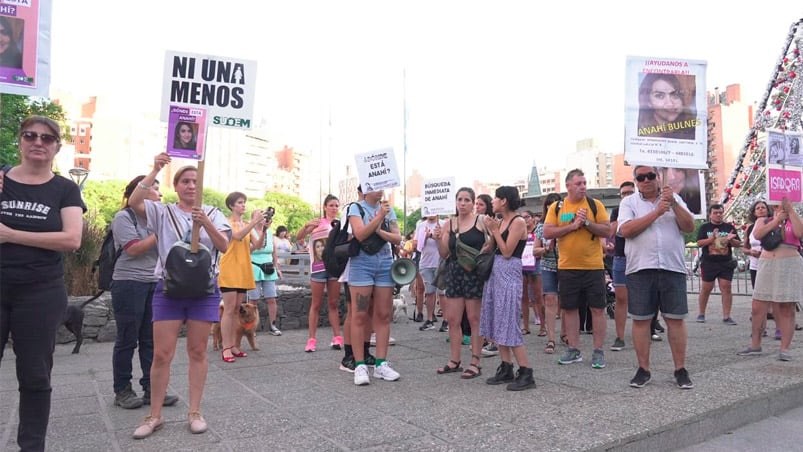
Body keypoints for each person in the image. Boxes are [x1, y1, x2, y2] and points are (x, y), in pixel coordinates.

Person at [128, 154, 231, 439]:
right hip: (169, 288)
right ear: (176, 186)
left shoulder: (213, 213)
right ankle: (154, 415)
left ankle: (195, 411)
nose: (190, 185)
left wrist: (205, 223)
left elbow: (224, 245)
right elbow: (134, 202)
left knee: (197, 351)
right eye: (185, 181)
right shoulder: (162, 212)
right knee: (161, 354)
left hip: (204, 290)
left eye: (195, 182)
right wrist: (155, 169)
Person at [0, 115, 85, 451]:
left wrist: (11, 235)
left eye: (47, 138)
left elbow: (72, 239)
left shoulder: (65, 188)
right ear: (20, 141)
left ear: (56, 148)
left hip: (40, 291)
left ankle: (31, 446)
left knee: (35, 373)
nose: (38, 142)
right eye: (30, 135)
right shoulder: (2, 179)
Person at [618, 165, 696, 389]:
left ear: (658, 177)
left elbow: (689, 226)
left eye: (650, 176)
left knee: (675, 319)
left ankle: (680, 369)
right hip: (641, 268)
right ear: (635, 181)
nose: (646, 180)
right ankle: (643, 369)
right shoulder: (628, 203)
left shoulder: (675, 199)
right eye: (640, 177)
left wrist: (672, 204)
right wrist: (656, 213)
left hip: (672, 267)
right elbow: (626, 230)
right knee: (641, 320)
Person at [111, 176, 178, 410]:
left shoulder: (158, 218)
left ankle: (152, 388)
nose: (160, 194)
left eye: (160, 189)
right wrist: (161, 233)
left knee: (151, 340)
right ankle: (122, 390)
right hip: (129, 283)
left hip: (155, 282)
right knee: (127, 340)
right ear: (139, 193)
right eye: (155, 189)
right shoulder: (124, 217)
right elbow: (134, 249)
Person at [543, 169, 611, 369]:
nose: (583, 186)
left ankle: (598, 351)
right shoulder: (557, 207)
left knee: (598, 309)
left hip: (593, 266)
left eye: (584, 182)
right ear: (568, 186)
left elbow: (607, 230)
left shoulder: (594, 205)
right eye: (579, 183)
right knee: (570, 309)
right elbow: (547, 232)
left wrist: (587, 223)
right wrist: (572, 226)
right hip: (567, 267)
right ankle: (574, 349)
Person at [480, 186, 535, 391]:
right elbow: (491, 247)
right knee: (498, 319)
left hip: (509, 272)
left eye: (495, 198)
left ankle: (526, 371)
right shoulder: (501, 221)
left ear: (504, 201)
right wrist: (490, 231)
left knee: (509, 321)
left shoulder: (518, 222)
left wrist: (495, 230)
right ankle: (506, 367)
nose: (492, 201)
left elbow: (507, 251)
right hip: (496, 274)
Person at [347, 188, 402, 385]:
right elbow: (360, 234)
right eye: (375, 187)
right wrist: (379, 217)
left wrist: (380, 228)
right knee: (359, 314)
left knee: (384, 315)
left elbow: (397, 238)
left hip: (385, 263)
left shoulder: (388, 209)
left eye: (382, 187)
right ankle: (359, 364)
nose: (380, 191)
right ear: (366, 189)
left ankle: (381, 364)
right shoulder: (355, 208)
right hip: (362, 264)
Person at [738, 197, 803, 361]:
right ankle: (755, 344)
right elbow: (758, 234)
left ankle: (785, 348)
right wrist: (777, 220)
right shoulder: (764, 220)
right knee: (758, 305)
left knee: (786, 305)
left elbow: (799, 233)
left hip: (789, 261)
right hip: (767, 262)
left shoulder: (793, 217)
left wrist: (791, 211)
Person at [434, 187, 488, 380]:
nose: (463, 203)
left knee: (474, 318)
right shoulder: (450, 223)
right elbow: (444, 253)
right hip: (455, 272)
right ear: (455, 202)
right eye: (460, 199)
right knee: (453, 318)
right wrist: (439, 238)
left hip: (474, 273)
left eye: (467, 200)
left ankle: (475, 361)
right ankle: (454, 360)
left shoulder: (481, 221)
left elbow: (491, 244)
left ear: (473, 203)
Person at [218, 192, 264, 362]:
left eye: (244, 202)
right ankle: (226, 348)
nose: (243, 205)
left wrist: (263, 228)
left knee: (237, 309)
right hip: (229, 268)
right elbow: (236, 237)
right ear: (231, 206)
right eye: (240, 202)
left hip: (243, 269)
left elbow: (257, 245)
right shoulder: (225, 223)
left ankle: (234, 345)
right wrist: (254, 222)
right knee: (229, 310)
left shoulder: (246, 224)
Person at [296, 194, 343, 352]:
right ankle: (311, 339)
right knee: (315, 304)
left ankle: (337, 337)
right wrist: (306, 225)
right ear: (324, 207)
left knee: (333, 303)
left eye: (336, 205)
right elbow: (299, 237)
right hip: (318, 267)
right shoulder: (317, 222)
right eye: (331, 205)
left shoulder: (341, 224)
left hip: (334, 267)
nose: (334, 208)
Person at [696, 204, 741, 324]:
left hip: (725, 262)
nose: (718, 215)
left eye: (720, 212)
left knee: (726, 287)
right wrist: (711, 239)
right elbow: (699, 243)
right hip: (709, 262)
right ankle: (701, 313)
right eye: (715, 212)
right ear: (710, 214)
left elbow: (738, 244)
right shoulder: (705, 227)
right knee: (706, 288)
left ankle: (727, 316)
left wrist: (731, 239)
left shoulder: (729, 227)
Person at [742, 200, 777, 339]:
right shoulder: (750, 228)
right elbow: (745, 247)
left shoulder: (774, 223)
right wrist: (751, 252)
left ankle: (781, 327)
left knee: (775, 297)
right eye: (758, 208)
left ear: (768, 210)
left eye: (763, 207)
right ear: (754, 212)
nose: (761, 210)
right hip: (755, 265)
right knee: (759, 298)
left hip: (772, 263)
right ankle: (761, 329)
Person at [609, 181, 635, 352]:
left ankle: (650, 328)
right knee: (621, 298)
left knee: (646, 295)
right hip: (621, 257)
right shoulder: (617, 211)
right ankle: (619, 336)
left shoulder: (642, 208)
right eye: (624, 193)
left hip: (640, 256)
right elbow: (611, 232)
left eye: (630, 193)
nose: (627, 196)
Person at [534, 193, 562, 354]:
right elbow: (534, 250)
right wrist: (545, 249)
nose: (552, 208)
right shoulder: (541, 226)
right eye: (549, 206)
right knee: (550, 299)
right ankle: (551, 339)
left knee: (567, 303)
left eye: (556, 205)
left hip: (567, 265)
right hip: (548, 265)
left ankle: (565, 333)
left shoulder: (567, 223)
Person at [248, 214, 282, 336]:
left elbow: (274, 252)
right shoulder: (249, 231)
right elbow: (248, 250)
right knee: (253, 299)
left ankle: (273, 325)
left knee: (271, 298)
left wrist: (277, 267)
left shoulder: (270, 233)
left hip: (268, 267)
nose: (263, 219)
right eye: (259, 216)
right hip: (254, 266)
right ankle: (251, 327)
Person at [637, 73, 697, 140]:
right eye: (659, 96)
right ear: (648, 102)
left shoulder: (693, 130)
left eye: (675, 95)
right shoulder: (637, 132)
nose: (670, 104)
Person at [416, 214, 446, 333]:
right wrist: (424, 237)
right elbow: (416, 244)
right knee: (429, 292)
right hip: (425, 263)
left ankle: (446, 320)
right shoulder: (420, 225)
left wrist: (434, 236)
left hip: (440, 262)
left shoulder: (443, 224)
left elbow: (446, 243)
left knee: (442, 293)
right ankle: (429, 319)